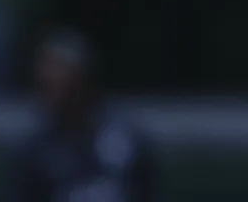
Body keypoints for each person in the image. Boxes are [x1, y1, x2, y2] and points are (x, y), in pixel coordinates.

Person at [15, 29, 154, 202]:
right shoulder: (36, 149)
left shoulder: (124, 135)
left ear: (82, 77)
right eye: (44, 82)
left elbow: (144, 189)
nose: (48, 80)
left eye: (58, 71)